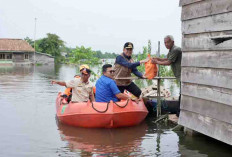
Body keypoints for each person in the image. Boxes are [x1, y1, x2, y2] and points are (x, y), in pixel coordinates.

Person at [152, 35, 182, 116]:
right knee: (182, 94)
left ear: (172, 42)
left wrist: (156, 62)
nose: (166, 44)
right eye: (165, 43)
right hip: (180, 76)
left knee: (182, 94)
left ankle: (179, 113)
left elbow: (168, 62)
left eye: (167, 42)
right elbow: (166, 59)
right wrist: (157, 59)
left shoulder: (176, 50)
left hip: (183, 75)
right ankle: (179, 112)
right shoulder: (171, 50)